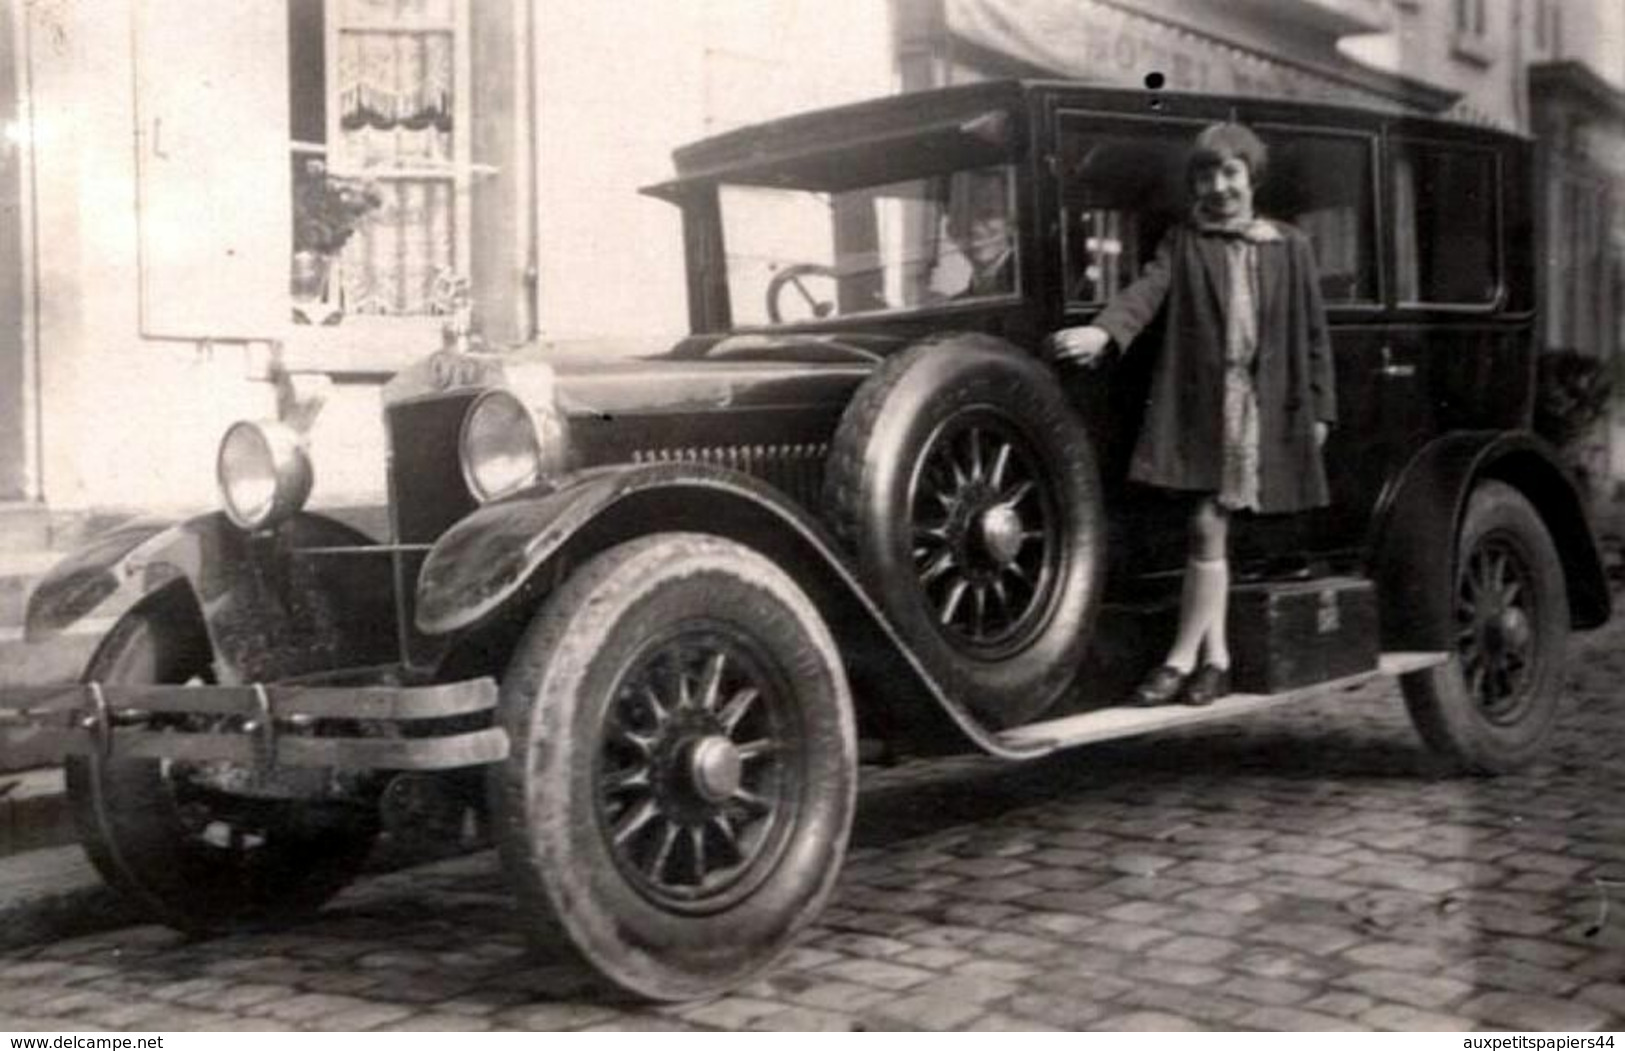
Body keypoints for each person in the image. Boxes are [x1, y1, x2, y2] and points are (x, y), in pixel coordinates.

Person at [1049, 122, 1336, 707]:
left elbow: (1313, 334)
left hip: (1263, 410)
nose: (1219, 186)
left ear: (1251, 177)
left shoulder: (1290, 246)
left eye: (1230, 173)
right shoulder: (1184, 242)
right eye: (1206, 175)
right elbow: (1145, 294)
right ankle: (1210, 661)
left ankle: (1189, 662)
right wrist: (1103, 333)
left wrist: (1320, 408)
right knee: (1209, 527)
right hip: (1209, 406)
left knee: (1211, 528)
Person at [944, 168, 1016, 298]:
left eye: (988, 213)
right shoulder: (955, 306)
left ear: (1011, 222)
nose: (974, 227)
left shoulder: (1035, 284)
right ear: (950, 229)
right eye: (964, 215)